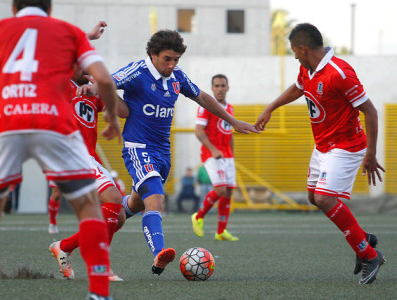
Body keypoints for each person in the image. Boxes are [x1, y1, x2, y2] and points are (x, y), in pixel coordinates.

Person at [0, 1, 120, 299]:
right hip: (52, 123)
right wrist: (113, 120)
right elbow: (104, 79)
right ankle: (99, 292)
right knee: (91, 207)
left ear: (13, 7)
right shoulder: (66, 31)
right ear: (50, 8)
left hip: (5, 123)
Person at [83, 29, 260, 275]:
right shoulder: (138, 71)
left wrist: (233, 120)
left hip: (162, 154)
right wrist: (93, 89)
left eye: (176, 59)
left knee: (130, 207)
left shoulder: (177, 76)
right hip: (138, 149)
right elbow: (108, 81)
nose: (172, 64)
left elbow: (202, 97)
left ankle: (69, 244)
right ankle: (159, 254)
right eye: (167, 59)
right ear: (153, 54)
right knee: (156, 200)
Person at [254, 23, 385, 285]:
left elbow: (370, 111)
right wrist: (271, 108)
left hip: (346, 146)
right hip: (323, 146)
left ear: (304, 48)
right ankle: (363, 237)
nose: (294, 56)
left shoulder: (340, 73)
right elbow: (298, 87)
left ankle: (370, 255)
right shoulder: (308, 67)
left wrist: (370, 154)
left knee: (325, 199)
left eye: (294, 51)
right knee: (314, 197)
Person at [48, 65, 127, 282]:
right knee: (113, 198)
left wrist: (102, 86)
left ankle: (64, 246)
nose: (86, 66)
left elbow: (122, 111)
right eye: (80, 61)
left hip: (89, 156)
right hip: (71, 154)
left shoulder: (91, 89)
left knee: (117, 218)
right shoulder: (61, 83)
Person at [191, 74, 239, 241]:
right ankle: (198, 216)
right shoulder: (205, 106)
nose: (220, 89)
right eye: (217, 86)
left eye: (222, 86)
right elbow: (199, 131)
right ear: (212, 88)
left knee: (229, 192)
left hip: (227, 156)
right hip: (211, 154)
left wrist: (232, 155)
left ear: (227, 88)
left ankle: (221, 232)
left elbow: (229, 133)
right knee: (220, 189)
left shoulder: (230, 108)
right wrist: (212, 149)